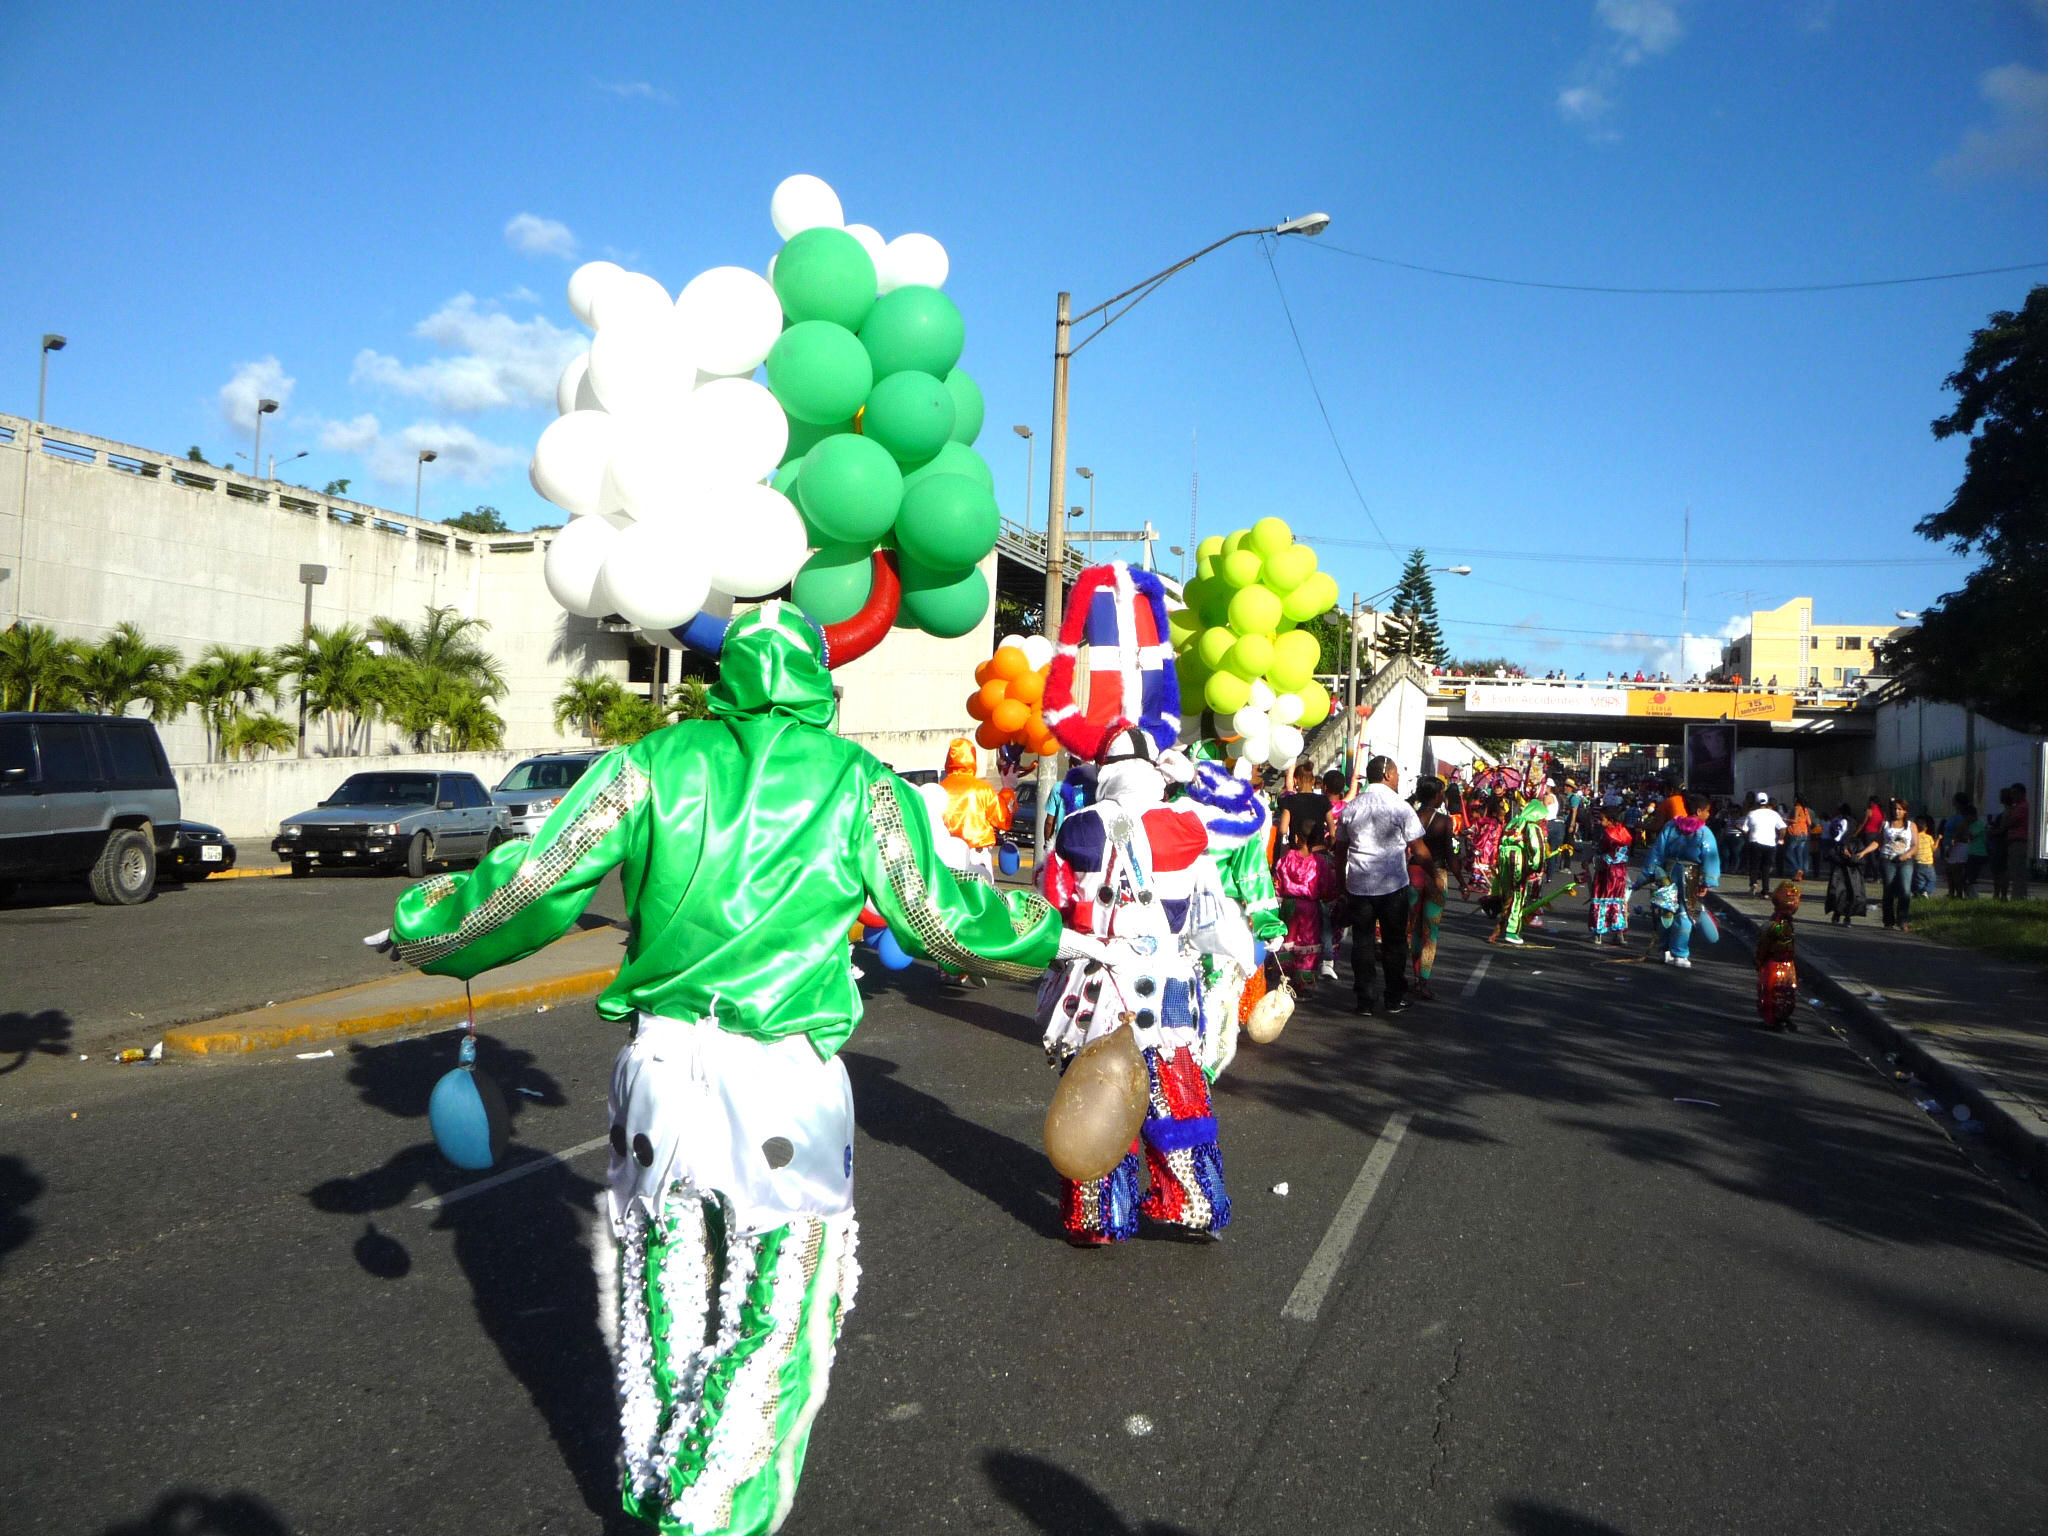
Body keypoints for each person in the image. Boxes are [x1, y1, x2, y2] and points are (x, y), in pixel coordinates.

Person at [381, 603, 1066, 1536]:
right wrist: (1055, 930)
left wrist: (429, 928)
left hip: (660, 1068)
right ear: (821, 683)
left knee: (664, 1287)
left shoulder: (648, 767)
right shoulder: (857, 784)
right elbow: (942, 920)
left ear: (725, 676)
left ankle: (657, 1482)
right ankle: (713, 1513)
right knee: (782, 1304)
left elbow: (533, 881)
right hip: (785, 1081)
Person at [1335, 754, 1432, 1016]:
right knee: (1394, 943)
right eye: (1398, 773)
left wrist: (1339, 883)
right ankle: (1393, 997)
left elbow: (1340, 850)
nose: (1399, 778)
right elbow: (1419, 849)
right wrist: (1432, 873)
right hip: (1392, 886)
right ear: (1388, 774)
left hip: (1359, 885)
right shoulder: (1401, 808)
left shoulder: (1352, 807)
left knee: (1362, 944)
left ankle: (1365, 1000)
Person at [1641, 790, 1721, 968]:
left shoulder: (1671, 826)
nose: (1708, 815)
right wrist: (1706, 881)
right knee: (1685, 913)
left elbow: (1658, 850)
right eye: (1707, 811)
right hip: (1689, 873)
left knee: (1667, 909)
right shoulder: (1704, 832)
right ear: (1699, 811)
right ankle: (1680, 953)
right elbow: (1710, 856)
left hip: (1668, 873)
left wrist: (1650, 872)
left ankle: (1664, 950)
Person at [1274, 829, 1340, 995]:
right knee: (1307, 945)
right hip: (1310, 908)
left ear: (1297, 837)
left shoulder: (1286, 859)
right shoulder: (1320, 863)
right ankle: (1300, 985)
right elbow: (1327, 888)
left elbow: (1277, 884)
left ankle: (1285, 980)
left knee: (1288, 941)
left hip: (1289, 905)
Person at [1408, 775, 1454, 998]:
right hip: (1436, 876)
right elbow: (1449, 854)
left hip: (1413, 874)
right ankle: (1422, 980)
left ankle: (1415, 974)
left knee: (1413, 928)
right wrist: (1463, 882)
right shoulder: (1444, 821)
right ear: (1436, 796)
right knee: (1430, 932)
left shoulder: (1412, 815)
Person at [938, 736, 1007, 881]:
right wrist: (1008, 791)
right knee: (983, 898)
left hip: (946, 855)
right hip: (977, 853)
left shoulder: (940, 789)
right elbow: (1003, 820)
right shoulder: (982, 789)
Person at [1755, 881, 1802, 1031]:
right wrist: (1760, 959)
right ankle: (1774, 1018)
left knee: (1787, 990)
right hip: (1774, 962)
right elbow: (1764, 944)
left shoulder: (1782, 922)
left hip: (1786, 962)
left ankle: (1783, 1016)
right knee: (1773, 991)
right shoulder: (1774, 924)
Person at [1585, 802, 1633, 945]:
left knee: (1601, 898)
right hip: (1620, 872)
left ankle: (1598, 933)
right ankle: (1619, 933)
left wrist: (1591, 860)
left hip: (1606, 871)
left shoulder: (1607, 835)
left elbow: (1602, 852)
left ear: (1611, 820)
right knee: (1618, 900)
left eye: (1603, 819)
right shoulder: (1624, 833)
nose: (1601, 822)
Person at [1274, 761, 1333, 863]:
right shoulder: (1323, 800)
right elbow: (1332, 831)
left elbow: (1283, 830)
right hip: (1319, 854)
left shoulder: (1289, 800)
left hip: (1297, 853)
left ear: (1295, 781)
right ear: (1313, 780)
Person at [1824, 802, 1869, 925]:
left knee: (1852, 894)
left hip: (1852, 874)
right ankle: (1837, 913)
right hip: (1839, 873)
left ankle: (1848, 916)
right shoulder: (1837, 843)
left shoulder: (1856, 843)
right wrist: (1838, 856)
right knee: (1837, 893)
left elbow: (1861, 859)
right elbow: (1829, 855)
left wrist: (1851, 857)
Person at [1877, 798, 1917, 931]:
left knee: (1905, 891)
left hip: (1905, 861)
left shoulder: (1911, 825)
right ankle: (1888, 921)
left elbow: (1915, 845)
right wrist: (1864, 852)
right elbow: (1878, 842)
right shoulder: (1886, 824)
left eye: (1900, 809)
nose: (1897, 811)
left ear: (1905, 811)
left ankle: (1903, 920)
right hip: (1888, 859)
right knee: (1888, 890)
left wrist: (1906, 855)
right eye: (1894, 809)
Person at [1740, 790, 1786, 897]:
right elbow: (1783, 828)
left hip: (1755, 842)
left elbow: (1745, 830)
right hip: (1770, 843)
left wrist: (1747, 835)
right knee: (1766, 867)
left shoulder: (1751, 814)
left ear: (1756, 802)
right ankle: (1766, 891)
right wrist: (1780, 839)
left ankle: (1754, 883)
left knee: (1754, 865)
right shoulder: (1774, 814)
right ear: (1767, 802)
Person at [2008, 782, 2032, 900]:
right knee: (2016, 870)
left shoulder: (2022, 807)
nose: (2012, 796)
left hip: (2019, 840)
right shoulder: (2017, 806)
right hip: (2015, 841)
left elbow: (2010, 822)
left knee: (2018, 871)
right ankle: (2018, 894)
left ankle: (2018, 896)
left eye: (2015, 793)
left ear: (2022, 793)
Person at [1988, 787, 2012, 901]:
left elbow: (2002, 829)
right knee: (2001, 869)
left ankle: (1999, 893)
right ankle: (2000, 894)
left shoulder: (2007, 812)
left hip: (2001, 843)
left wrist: (1991, 831)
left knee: (1999, 870)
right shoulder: (2009, 811)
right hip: (2003, 842)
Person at [1912, 809, 1939, 901]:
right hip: (1928, 863)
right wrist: (1938, 839)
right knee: (1932, 879)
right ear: (1925, 828)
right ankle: (1926, 891)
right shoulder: (1929, 837)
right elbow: (1934, 848)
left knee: (1920, 880)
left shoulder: (1914, 838)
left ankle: (1920, 894)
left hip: (1917, 863)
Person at [1784, 796, 1813, 882]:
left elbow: (1795, 820)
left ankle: (1797, 870)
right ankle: (1799, 875)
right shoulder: (1805, 809)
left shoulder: (1797, 808)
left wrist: (1785, 819)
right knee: (1799, 854)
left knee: (1788, 853)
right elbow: (1810, 822)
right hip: (1804, 833)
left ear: (1797, 800)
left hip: (1796, 832)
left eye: (1794, 799)